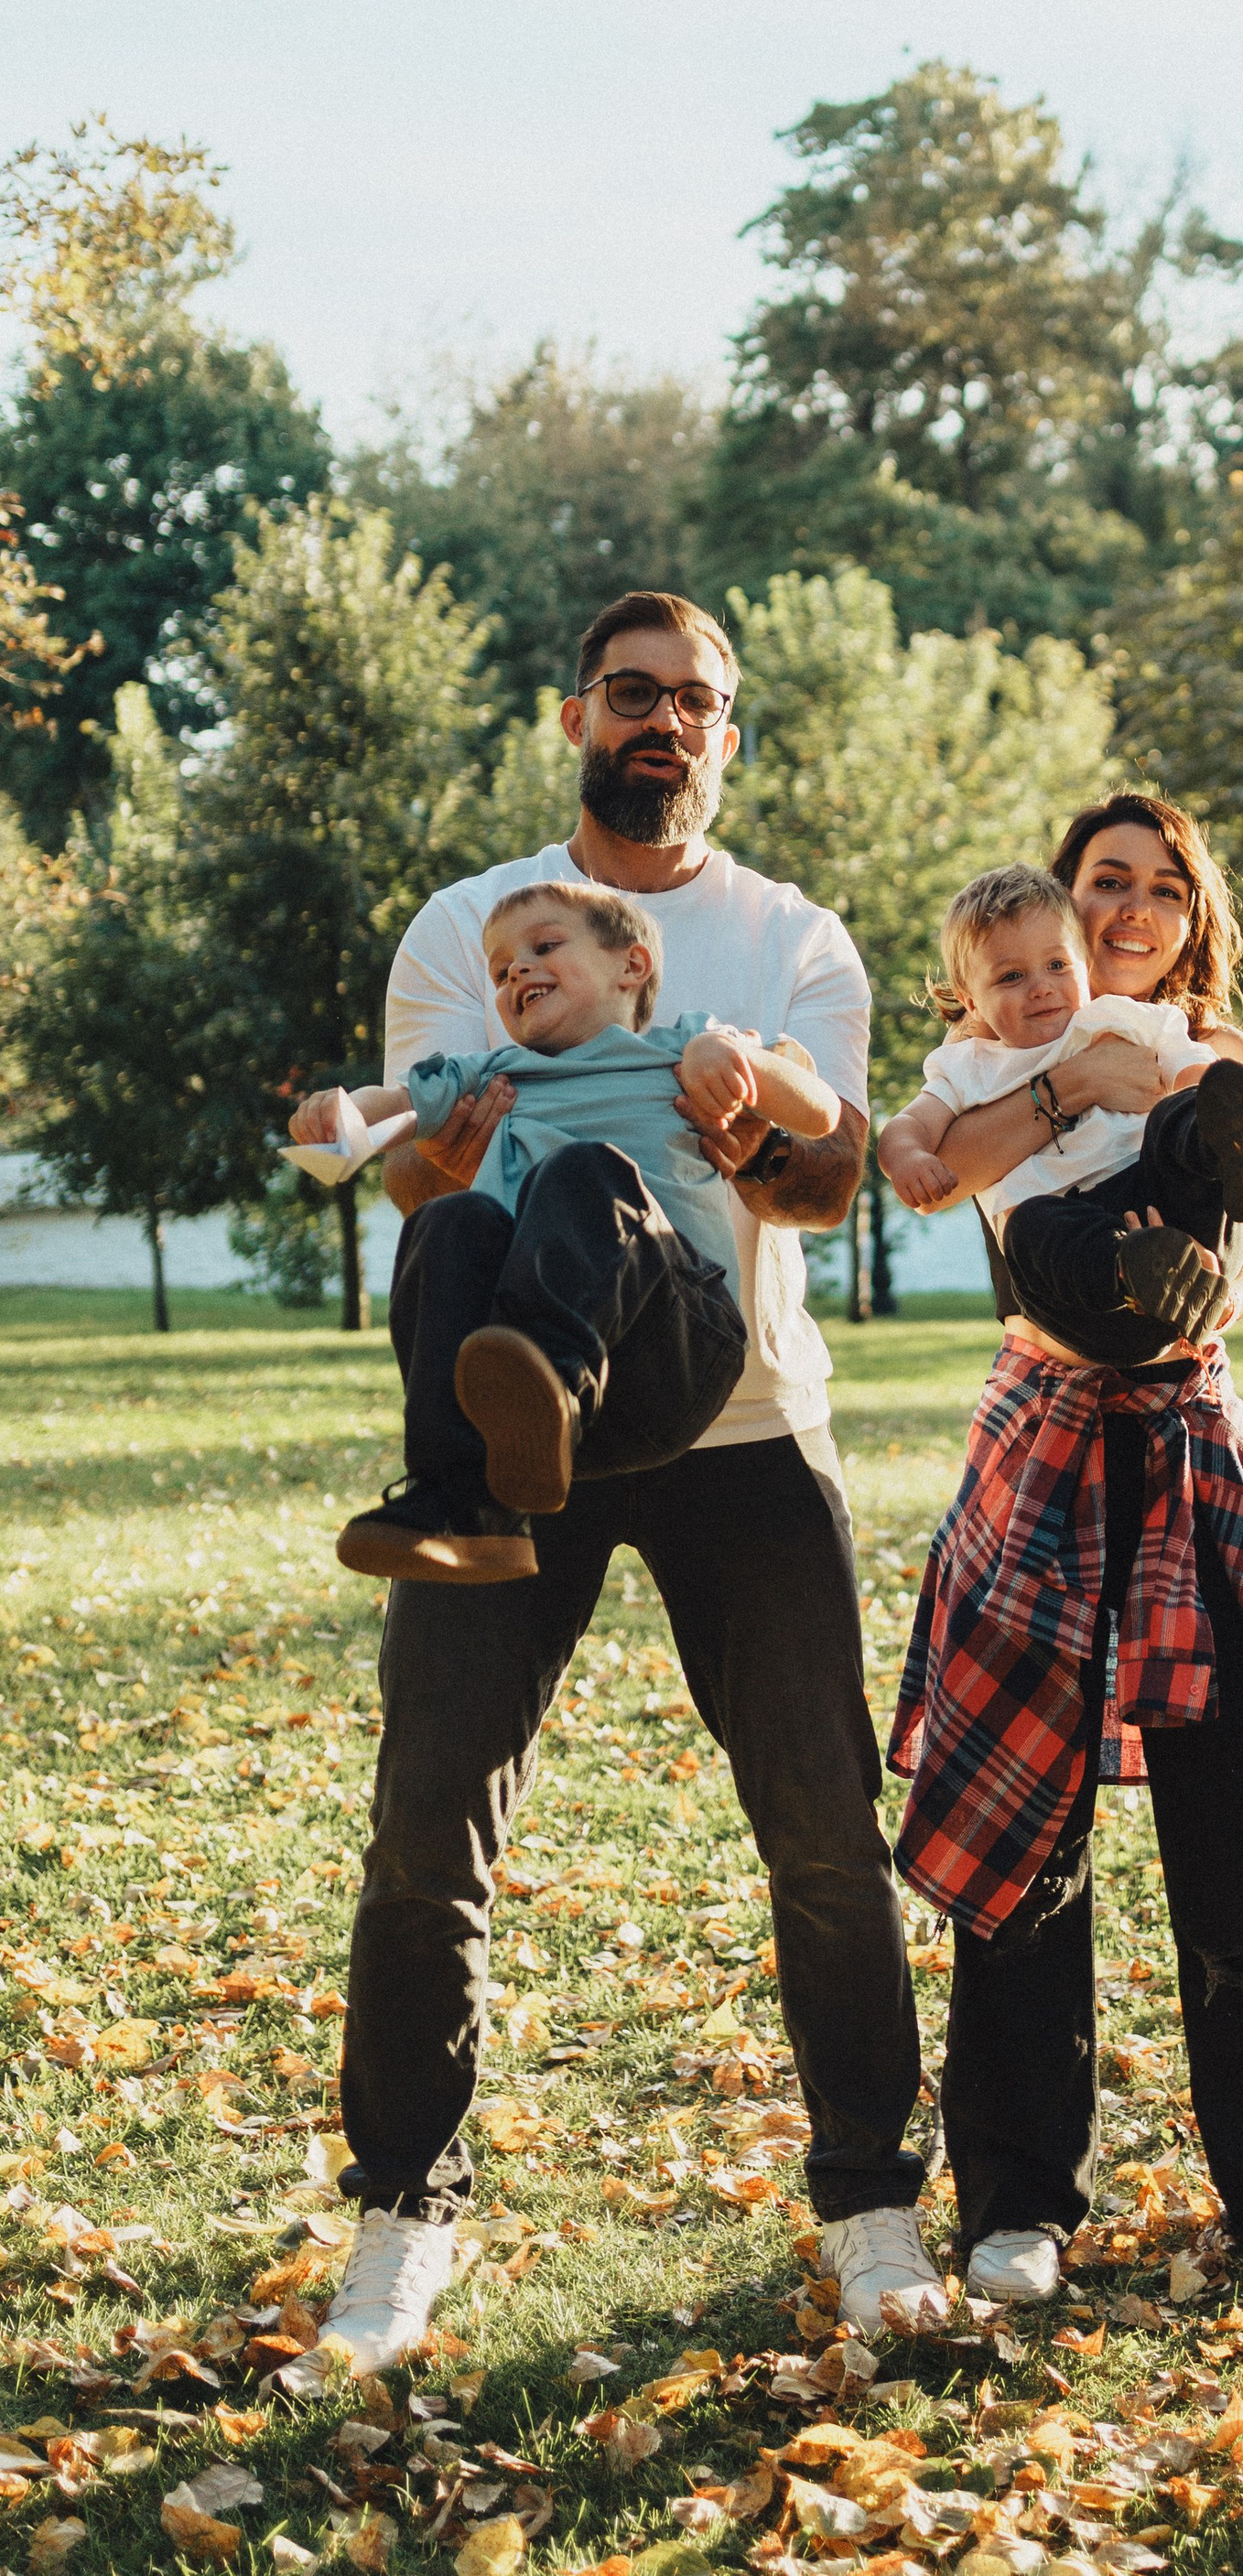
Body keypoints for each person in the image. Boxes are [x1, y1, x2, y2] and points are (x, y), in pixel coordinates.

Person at [288, 591, 945, 2390]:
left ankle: (870, 2208)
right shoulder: (468, 926)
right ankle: (400, 2224)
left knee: (824, 1830)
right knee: (428, 1827)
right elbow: (426, 1180)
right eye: (632, 694)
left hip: (733, 1418)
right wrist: (422, 1148)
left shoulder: (794, 938)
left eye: (697, 701)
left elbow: (822, 1191)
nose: (663, 721)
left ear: (728, 736)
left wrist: (748, 1128)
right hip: (523, 1446)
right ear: (574, 714)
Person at [887, 794, 1243, 2310]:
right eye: (1103, 883)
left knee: (1236, 1835)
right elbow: (934, 1170)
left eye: (1162, 888)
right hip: (1042, 1441)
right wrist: (1057, 1088)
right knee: (1024, 1842)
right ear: (1053, 906)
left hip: (1181, 1438)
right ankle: (1021, 2197)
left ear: (1193, 916)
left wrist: (1135, 1112)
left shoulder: (1213, 1068)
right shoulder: (1005, 1049)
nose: (1130, 909)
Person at [294, 879, 838, 1580]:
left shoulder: (682, 1046)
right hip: (557, 1420)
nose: (516, 969)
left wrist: (733, 1066)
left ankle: (545, 1386)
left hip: (675, 1352)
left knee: (583, 1172)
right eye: (499, 970)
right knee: (448, 1219)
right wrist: (341, 1116)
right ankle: (464, 1502)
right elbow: (393, 1107)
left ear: (631, 966)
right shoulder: (491, 1074)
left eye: (544, 946)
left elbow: (820, 1114)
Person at [876, 859, 1243, 1345]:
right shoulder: (968, 1065)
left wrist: (1222, 1119)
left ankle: (1226, 1155)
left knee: (1183, 1110)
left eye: (1057, 965)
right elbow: (908, 1126)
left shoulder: (1121, 1018)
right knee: (1030, 1226)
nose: (1041, 987)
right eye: (1011, 977)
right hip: (1085, 1262)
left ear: (1084, 963)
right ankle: (1133, 1270)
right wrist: (907, 1157)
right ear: (971, 1001)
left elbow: (1189, 1068)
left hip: (1166, 1202)